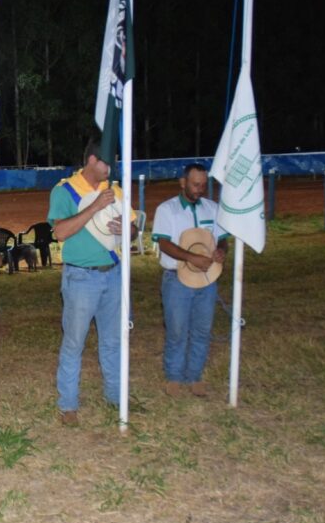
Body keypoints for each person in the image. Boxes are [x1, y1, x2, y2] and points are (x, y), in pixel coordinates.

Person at [47, 140, 136, 426]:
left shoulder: (116, 190)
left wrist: (129, 230)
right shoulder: (64, 191)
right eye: (108, 161)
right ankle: (68, 405)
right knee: (74, 343)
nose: (112, 167)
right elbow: (60, 232)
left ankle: (116, 398)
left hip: (114, 273)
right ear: (92, 160)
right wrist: (95, 206)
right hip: (81, 278)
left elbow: (134, 228)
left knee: (113, 341)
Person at [151, 164, 229, 397]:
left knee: (202, 330)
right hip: (176, 279)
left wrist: (221, 251)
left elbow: (223, 239)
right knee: (177, 330)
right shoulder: (167, 210)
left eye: (204, 185)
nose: (200, 189)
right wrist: (191, 257)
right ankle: (174, 376)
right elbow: (164, 243)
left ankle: (194, 376)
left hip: (207, 279)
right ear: (183, 183)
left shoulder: (213, 209)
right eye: (196, 184)